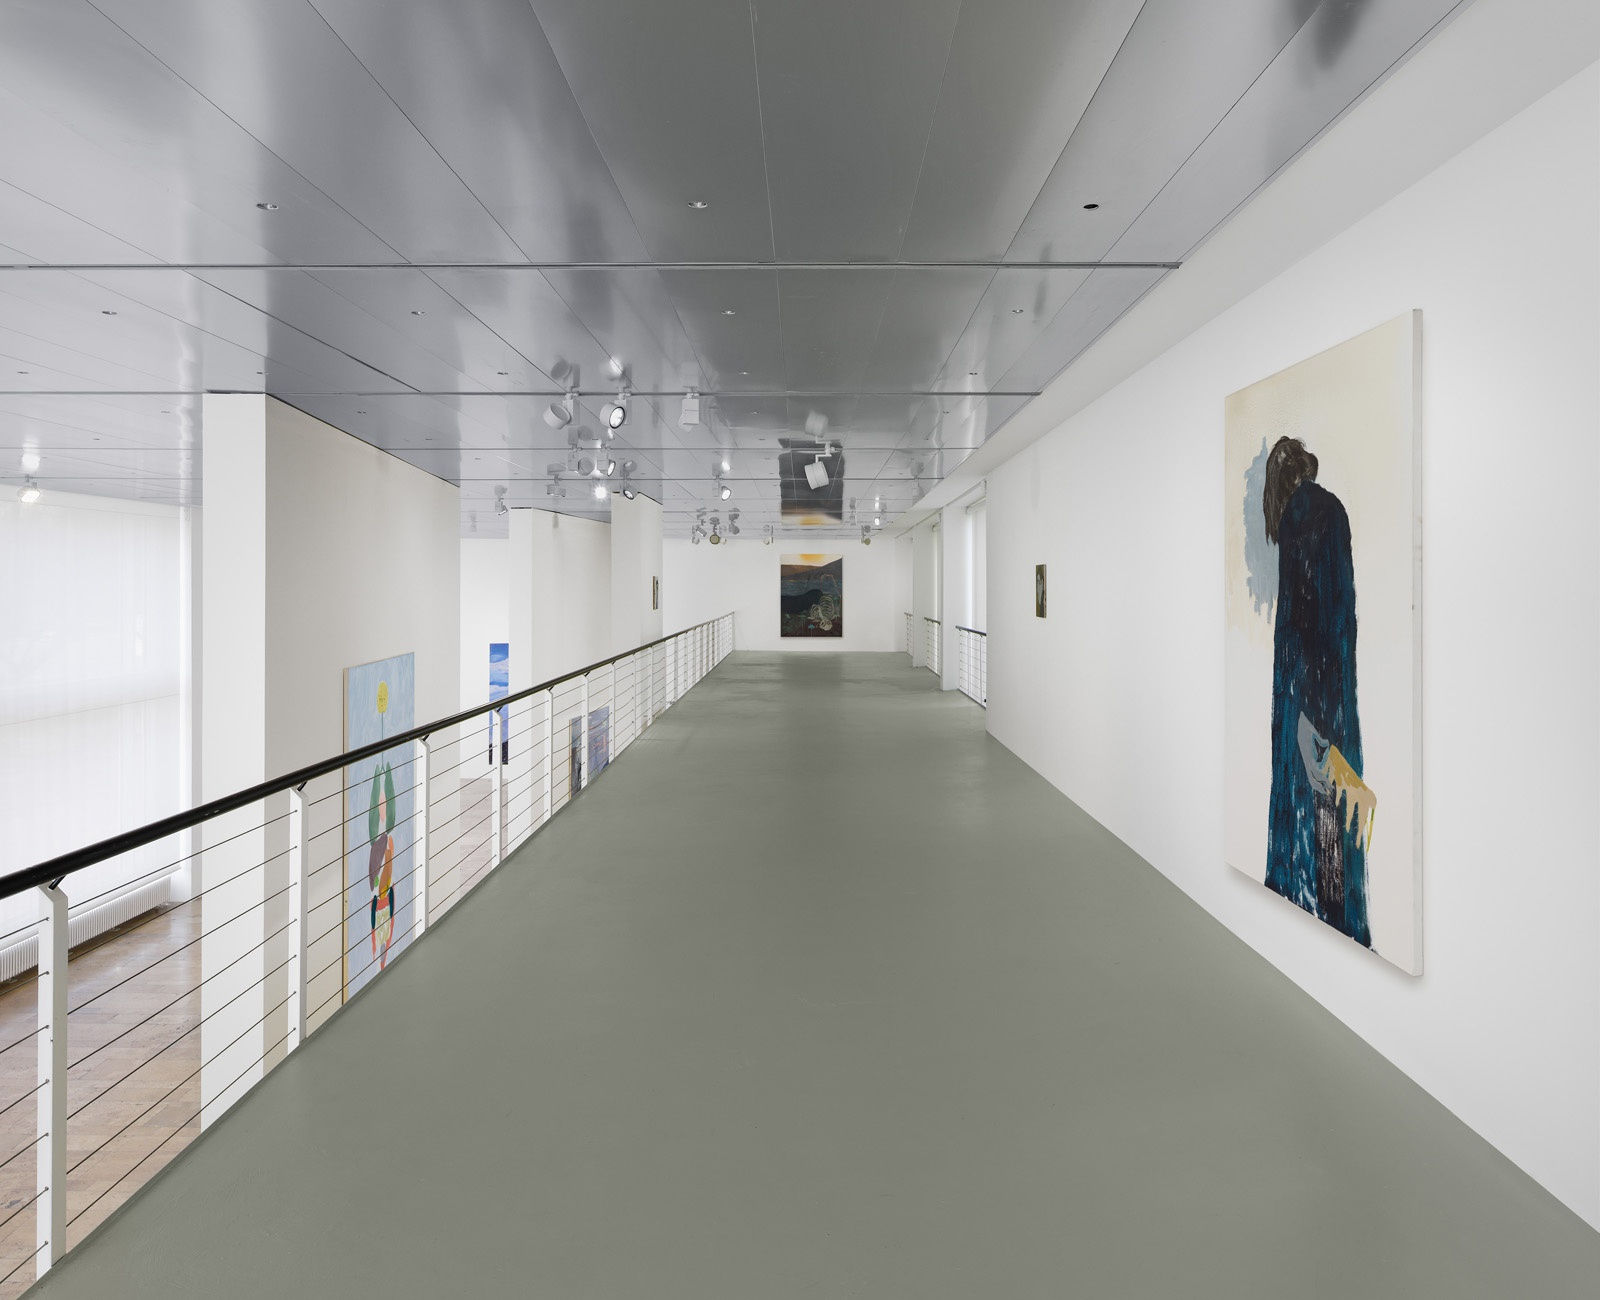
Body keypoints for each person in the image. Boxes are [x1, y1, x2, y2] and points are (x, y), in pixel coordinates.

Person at [1263, 436, 1376, 946]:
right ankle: (1339, 926)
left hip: (1305, 700)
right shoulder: (1336, 511)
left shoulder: (1296, 519)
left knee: (1309, 818)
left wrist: (1302, 716)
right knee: (1335, 822)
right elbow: (1341, 621)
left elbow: (1299, 625)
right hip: (1335, 696)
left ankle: (1310, 924)